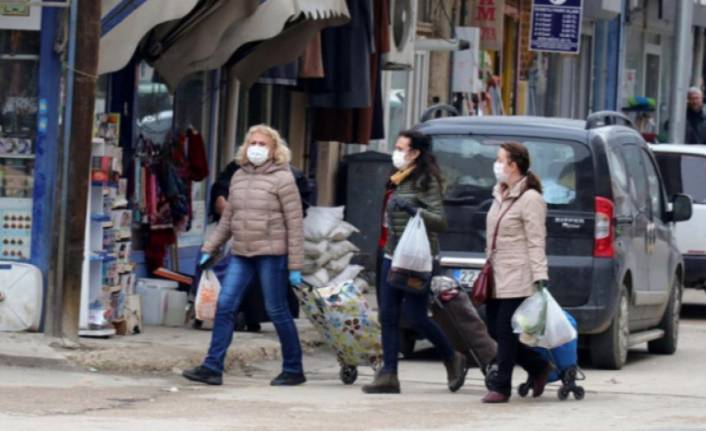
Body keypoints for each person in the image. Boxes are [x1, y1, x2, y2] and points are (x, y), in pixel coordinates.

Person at [183, 124, 306, 387]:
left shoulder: (283, 179)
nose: (257, 149)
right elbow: (228, 220)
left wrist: (295, 265)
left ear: (274, 150)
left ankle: (294, 368)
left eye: (263, 144)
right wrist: (209, 248)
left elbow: (295, 224)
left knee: (276, 310)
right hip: (242, 252)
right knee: (225, 306)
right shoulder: (238, 177)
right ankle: (212, 367)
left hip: (271, 254)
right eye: (253, 143)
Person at [362, 130, 466, 394]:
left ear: (415, 153)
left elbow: (440, 220)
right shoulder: (397, 178)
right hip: (392, 254)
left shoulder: (425, 180)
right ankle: (388, 374)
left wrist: (413, 211)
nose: (395, 153)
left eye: (401, 148)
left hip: (418, 259)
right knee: (388, 314)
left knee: (416, 316)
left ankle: (452, 357)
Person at [481, 142, 552, 404]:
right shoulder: (499, 193)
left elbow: (536, 240)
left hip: (518, 273)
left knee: (506, 328)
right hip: (495, 273)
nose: (496, 164)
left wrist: (539, 276)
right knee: (493, 328)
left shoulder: (531, 199)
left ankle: (501, 386)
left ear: (513, 165)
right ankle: (537, 366)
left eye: (500, 160)